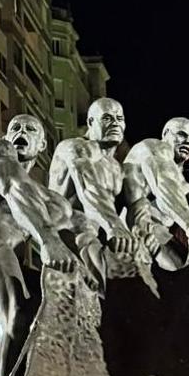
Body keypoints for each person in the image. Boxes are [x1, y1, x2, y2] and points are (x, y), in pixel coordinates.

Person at [0, 114, 81, 376]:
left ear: (42, 146)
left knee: (53, 313)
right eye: (15, 127)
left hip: (14, 267)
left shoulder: (49, 199)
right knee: (17, 318)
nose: (20, 132)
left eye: (30, 129)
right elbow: (13, 188)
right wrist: (48, 240)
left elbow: (82, 227)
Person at [49, 98, 137, 277]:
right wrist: (114, 225)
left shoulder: (115, 167)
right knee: (86, 235)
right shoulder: (75, 147)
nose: (115, 123)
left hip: (99, 239)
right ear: (91, 122)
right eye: (107, 118)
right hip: (67, 238)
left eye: (119, 119)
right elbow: (89, 188)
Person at [123, 116, 189, 270]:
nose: (188, 142)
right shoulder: (153, 147)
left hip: (156, 237)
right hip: (129, 231)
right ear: (165, 134)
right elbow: (163, 184)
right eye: (182, 134)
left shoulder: (185, 186)